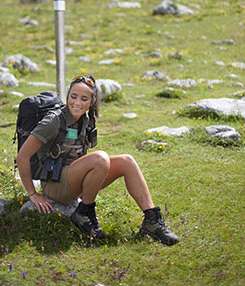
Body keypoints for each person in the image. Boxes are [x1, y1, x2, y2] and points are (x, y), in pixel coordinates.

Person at [16, 74, 179, 245]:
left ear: (92, 101)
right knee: (100, 158)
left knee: (127, 161)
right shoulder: (54, 120)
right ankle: (84, 213)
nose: (77, 103)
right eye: (73, 97)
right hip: (55, 185)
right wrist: (32, 194)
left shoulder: (86, 121)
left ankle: (152, 221)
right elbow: (22, 157)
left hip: (73, 180)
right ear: (68, 96)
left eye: (84, 98)